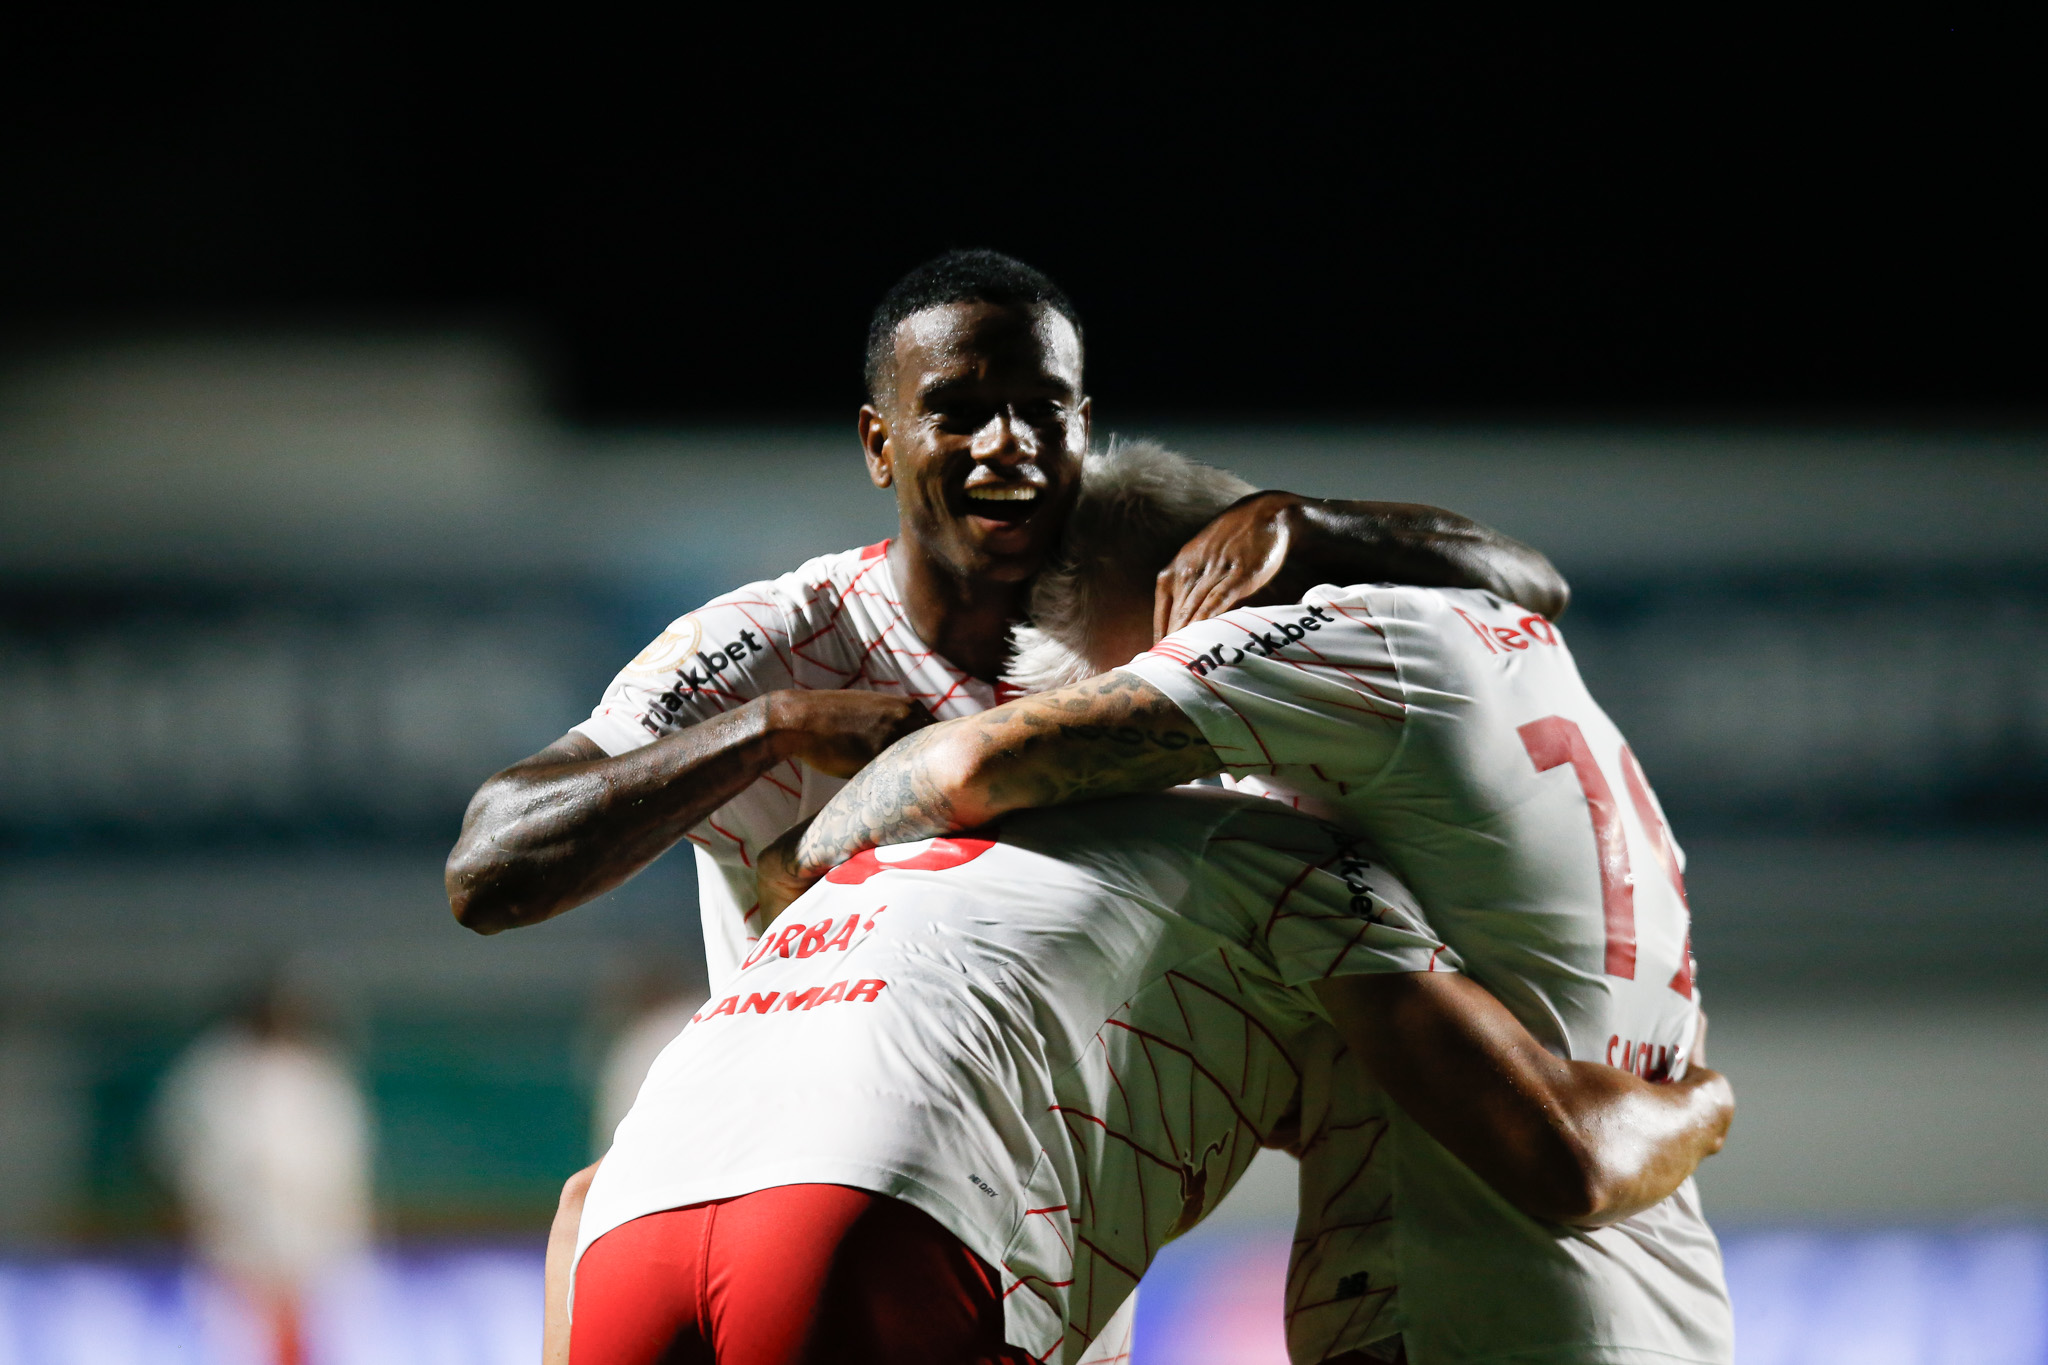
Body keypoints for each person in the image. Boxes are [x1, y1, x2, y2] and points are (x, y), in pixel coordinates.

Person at [450, 250, 1568, 1364]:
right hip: (872, 1183)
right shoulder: (778, 644)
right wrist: (770, 728)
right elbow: (490, 868)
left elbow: (1524, 589)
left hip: (1021, 1200)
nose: (1007, 447)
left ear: (1087, 424)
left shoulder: (1165, 608)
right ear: (877, 442)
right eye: (959, 412)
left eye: (1040, 410)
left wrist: (1313, 527)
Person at [759, 441, 1734, 1363]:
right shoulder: (1496, 673)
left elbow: (974, 763)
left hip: (1465, 1312)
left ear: (1198, 590)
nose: (1186, 763)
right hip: (1654, 1304)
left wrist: (798, 863)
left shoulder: (1334, 646)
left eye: (1131, 675)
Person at [571, 789, 1731, 1365]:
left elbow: (586, 1197)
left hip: (620, 1239)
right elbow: (1558, 1159)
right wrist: (1700, 1103)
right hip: (863, 1223)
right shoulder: (1302, 861)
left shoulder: (928, 844)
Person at [152, 978, 373, 1365]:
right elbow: (174, 1152)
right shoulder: (215, 1072)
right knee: (234, 1342)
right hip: (232, 1244)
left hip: (313, 1245)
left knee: (318, 1341)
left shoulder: (318, 1071)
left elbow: (343, 1165)